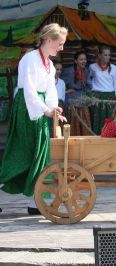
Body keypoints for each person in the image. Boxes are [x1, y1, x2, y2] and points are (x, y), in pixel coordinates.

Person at [0, 23, 67, 215]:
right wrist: (45, 110)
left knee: (39, 155)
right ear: (48, 40)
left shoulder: (50, 65)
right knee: (21, 154)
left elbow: (50, 90)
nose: (61, 48)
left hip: (40, 109)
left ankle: (35, 203)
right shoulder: (30, 59)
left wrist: (54, 109)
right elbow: (29, 91)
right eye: (59, 43)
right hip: (27, 109)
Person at [89, 46, 116, 135]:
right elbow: (88, 81)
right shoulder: (92, 67)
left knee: (110, 120)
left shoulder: (114, 68)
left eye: (109, 55)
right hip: (97, 98)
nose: (107, 57)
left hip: (110, 98)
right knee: (97, 120)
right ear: (100, 55)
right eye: (105, 55)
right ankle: (96, 138)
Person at [61, 50, 93, 136]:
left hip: (83, 100)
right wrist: (66, 91)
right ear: (76, 61)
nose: (83, 61)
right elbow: (60, 84)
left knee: (84, 122)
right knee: (73, 122)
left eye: (85, 59)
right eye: (81, 59)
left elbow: (89, 86)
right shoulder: (69, 71)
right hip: (72, 101)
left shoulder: (86, 71)